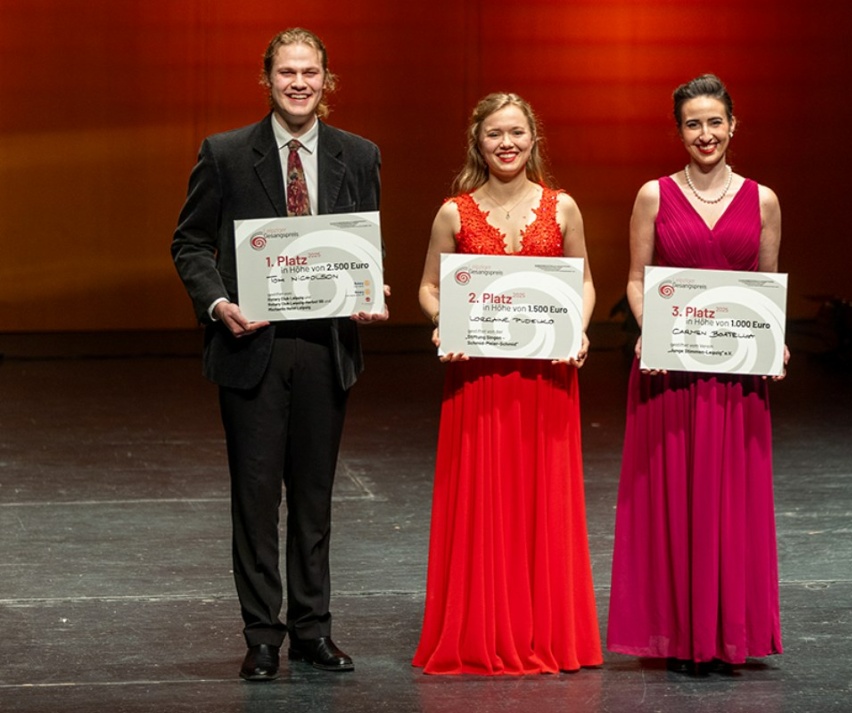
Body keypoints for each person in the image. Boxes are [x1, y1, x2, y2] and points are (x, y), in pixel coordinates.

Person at [170, 27, 387, 682]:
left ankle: (313, 630)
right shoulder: (227, 153)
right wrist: (217, 303)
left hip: (325, 348)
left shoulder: (360, 154)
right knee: (257, 497)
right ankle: (263, 635)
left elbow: (362, 246)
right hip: (252, 346)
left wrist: (372, 289)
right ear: (267, 78)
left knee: (314, 497)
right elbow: (189, 243)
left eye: (310, 72)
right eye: (287, 72)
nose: (298, 83)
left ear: (328, 79)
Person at [412, 93, 602, 675]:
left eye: (516, 133)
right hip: (481, 380)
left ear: (533, 139)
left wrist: (580, 328)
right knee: (486, 499)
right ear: (479, 142)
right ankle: (484, 629)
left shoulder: (562, 206)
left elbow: (586, 282)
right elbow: (428, 288)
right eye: (495, 134)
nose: (507, 144)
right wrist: (444, 320)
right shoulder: (454, 212)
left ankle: (545, 631)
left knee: (544, 502)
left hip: (545, 376)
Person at [606, 74, 788, 674]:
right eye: (692, 124)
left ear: (733, 125)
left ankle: (727, 634)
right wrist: (649, 329)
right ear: (678, 130)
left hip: (735, 380)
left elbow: (764, 290)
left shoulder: (762, 200)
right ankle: (679, 636)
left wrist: (776, 343)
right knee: (672, 502)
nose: (705, 134)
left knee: (731, 506)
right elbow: (635, 279)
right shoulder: (653, 195)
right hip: (670, 375)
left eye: (715, 122)